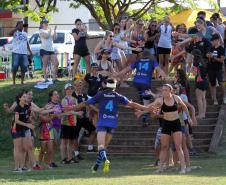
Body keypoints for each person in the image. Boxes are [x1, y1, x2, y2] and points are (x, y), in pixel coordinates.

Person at [84, 78, 155, 173]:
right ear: (115, 86)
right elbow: (132, 104)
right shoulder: (118, 96)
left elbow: (87, 103)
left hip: (102, 122)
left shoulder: (100, 94)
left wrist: (73, 107)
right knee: (104, 147)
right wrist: (146, 108)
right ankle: (96, 167)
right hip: (112, 123)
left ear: (106, 85)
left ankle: (105, 160)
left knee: (100, 146)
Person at [138, 84, 193, 174]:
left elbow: (184, 107)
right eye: (163, 90)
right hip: (166, 124)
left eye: (166, 90)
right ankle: (160, 168)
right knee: (164, 147)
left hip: (176, 123)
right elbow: (150, 107)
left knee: (178, 146)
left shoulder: (176, 98)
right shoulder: (160, 100)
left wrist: (189, 117)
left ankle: (183, 167)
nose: (164, 92)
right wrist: (141, 112)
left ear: (170, 91)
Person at [114, 50, 166, 127]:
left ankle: (141, 104)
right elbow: (159, 70)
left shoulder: (138, 61)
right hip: (145, 83)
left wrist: (117, 74)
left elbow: (126, 69)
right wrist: (165, 77)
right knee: (146, 103)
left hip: (136, 82)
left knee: (142, 98)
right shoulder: (152, 61)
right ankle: (144, 120)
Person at [72, 79, 97, 158]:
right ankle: (76, 153)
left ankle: (89, 147)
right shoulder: (72, 95)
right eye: (77, 85)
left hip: (84, 118)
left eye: (80, 85)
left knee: (94, 131)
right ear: (74, 86)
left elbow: (90, 104)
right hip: (75, 118)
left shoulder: (84, 95)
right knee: (75, 136)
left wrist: (98, 110)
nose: (79, 87)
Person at [60, 83, 83, 164]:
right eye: (68, 89)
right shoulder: (64, 99)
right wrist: (77, 112)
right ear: (65, 90)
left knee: (71, 141)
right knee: (64, 141)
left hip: (73, 123)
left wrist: (77, 110)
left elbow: (75, 108)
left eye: (71, 89)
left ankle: (70, 158)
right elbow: (67, 110)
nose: (70, 90)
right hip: (66, 123)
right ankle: (63, 158)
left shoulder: (74, 99)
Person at [9, 21, 32, 85]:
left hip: (24, 53)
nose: (22, 26)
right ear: (17, 25)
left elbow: (27, 43)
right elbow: (9, 33)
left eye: (22, 25)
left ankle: (22, 82)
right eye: (20, 25)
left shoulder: (25, 33)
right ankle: (14, 82)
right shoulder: (15, 32)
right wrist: (16, 28)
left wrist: (30, 51)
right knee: (15, 67)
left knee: (24, 67)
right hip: (16, 52)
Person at [207, 33, 226, 104]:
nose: (212, 42)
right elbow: (207, 54)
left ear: (218, 40)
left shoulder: (221, 48)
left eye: (214, 40)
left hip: (219, 69)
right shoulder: (211, 48)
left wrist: (213, 57)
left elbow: (222, 60)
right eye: (212, 41)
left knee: (221, 83)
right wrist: (208, 55)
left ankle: (224, 97)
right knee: (213, 84)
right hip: (211, 68)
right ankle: (215, 99)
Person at [39, 18, 59, 83]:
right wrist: (50, 31)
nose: (46, 24)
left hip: (51, 49)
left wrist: (55, 30)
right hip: (44, 49)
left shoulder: (50, 30)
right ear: (42, 24)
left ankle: (54, 78)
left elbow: (54, 38)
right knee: (45, 65)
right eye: (45, 23)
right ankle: (45, 79)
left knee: (56, 63)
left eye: (47, 22)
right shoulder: (41, 31)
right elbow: (46, 36)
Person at [191, 49, 209, 118]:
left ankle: (200, 114)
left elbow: (194, 73)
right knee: (203, 98)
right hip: (205, 80)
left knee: (199, 99)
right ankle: (203, 113)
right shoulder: (203, 61)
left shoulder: (195, 63)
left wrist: (192, 69)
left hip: (199, 81)